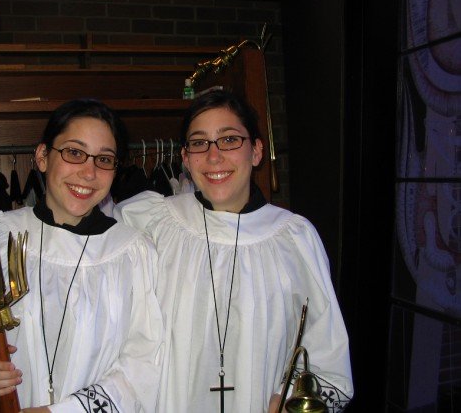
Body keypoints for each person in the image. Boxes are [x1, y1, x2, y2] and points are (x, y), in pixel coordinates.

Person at [114, 90, 354, 412]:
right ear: (185, 158)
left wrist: (290, 402)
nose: (214, 157)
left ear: (256, 151)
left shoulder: (294, 239)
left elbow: (326, 354)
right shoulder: (150, 222)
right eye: (199, 143)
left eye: (229, 140)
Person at [0, 99, 164, 412]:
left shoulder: (134, 253)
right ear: (43, 156)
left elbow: (144, 363)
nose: (88, 173)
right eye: (74, 153)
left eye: (104, 159)